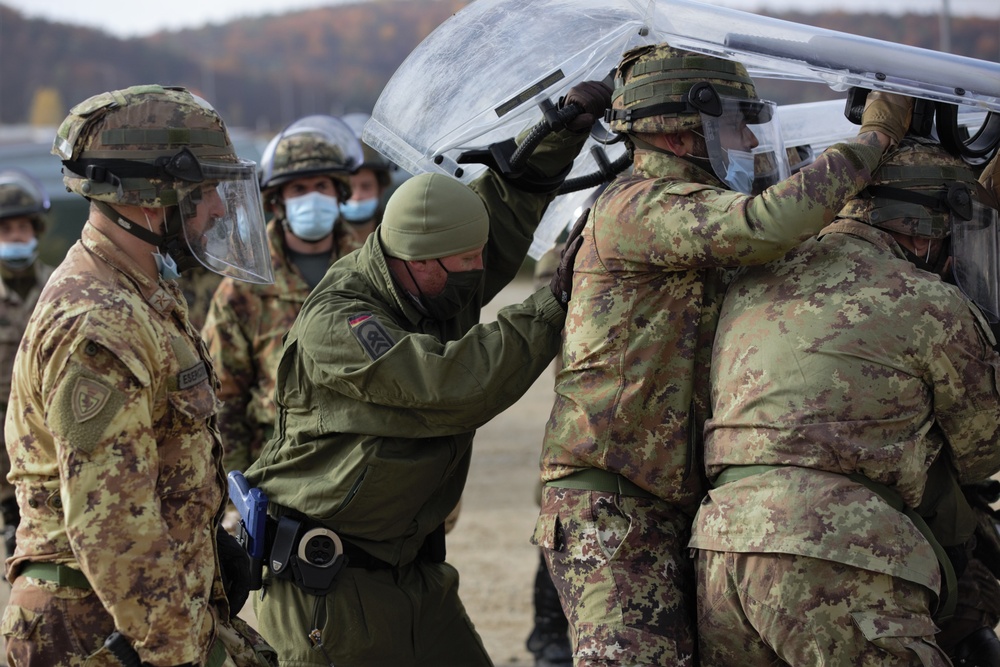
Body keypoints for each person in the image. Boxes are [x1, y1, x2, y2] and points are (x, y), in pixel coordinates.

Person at [533, 42, 912, 666]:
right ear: (683, 133)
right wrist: (873, 140)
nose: (743, 143)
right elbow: (768, 223)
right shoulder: (642, 205)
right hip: (616, 505)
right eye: (733, 125)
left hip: (666, 498)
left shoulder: (687, 208)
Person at [242, 79, 610, 667]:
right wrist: (553, 300)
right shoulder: (338, 321)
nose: (476, 276)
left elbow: (504, 206)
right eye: (461, 266)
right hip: (330, 590)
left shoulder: (433, 282)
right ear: (411, 261)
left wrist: (561, 130)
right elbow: (455, 385)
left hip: (414, 576)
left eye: (476, 261)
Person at [689, 136, 1000, 665]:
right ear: (925, 228)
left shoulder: (757, 277)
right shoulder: (925, 299)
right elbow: (984, 449)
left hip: (723, 549)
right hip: (838, 551)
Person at [2, 84, 277, 666]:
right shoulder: (99, 322)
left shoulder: (140, 289)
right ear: (155, 196)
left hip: (125, 618)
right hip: (95, 631)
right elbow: (112, 528)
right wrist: (181, 652)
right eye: (206, 193)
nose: (221, 210)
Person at [203, 115, 363, 478]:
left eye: (322, 185)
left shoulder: (371, 270)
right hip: (278, 472)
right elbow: (223, 398)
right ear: (277, 201)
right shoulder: (244, 287)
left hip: (361, 467)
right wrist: (236, 493)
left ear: (339, 193)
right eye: (298, 189)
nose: (313, 198)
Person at [0, 169, 55, 563]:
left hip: (44, 447)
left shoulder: (58, 288)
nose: (16, 236)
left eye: (23, 227)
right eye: (6, 229)